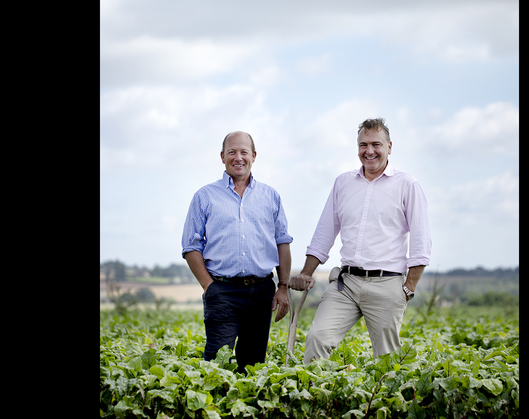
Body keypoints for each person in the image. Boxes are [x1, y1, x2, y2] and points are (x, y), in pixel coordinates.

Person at [289, 118, 431, 363]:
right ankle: (315, 398)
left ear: (389, 147)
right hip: (347, 284)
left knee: (387, 361)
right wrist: (306, 273)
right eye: (363, 145)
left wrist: (408, 288)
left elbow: (421, 241)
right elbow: (324, 234)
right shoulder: (343, 183)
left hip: (387, 285)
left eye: (376, 144)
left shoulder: (407, 185)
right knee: (317, 338)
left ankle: (383, 401)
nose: (369, 151)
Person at [181, 131, 293, 373]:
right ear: (222, 157)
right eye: (232, 152)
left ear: (253, 156)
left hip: (262, 291)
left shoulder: (270, 196)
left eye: (244, 152)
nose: (238, 157)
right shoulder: (205, 196)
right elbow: (191, 246)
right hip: (222, 291)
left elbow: (282, 242)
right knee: (216, 366)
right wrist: (209, 287)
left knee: (253, 366)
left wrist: (282, 286)